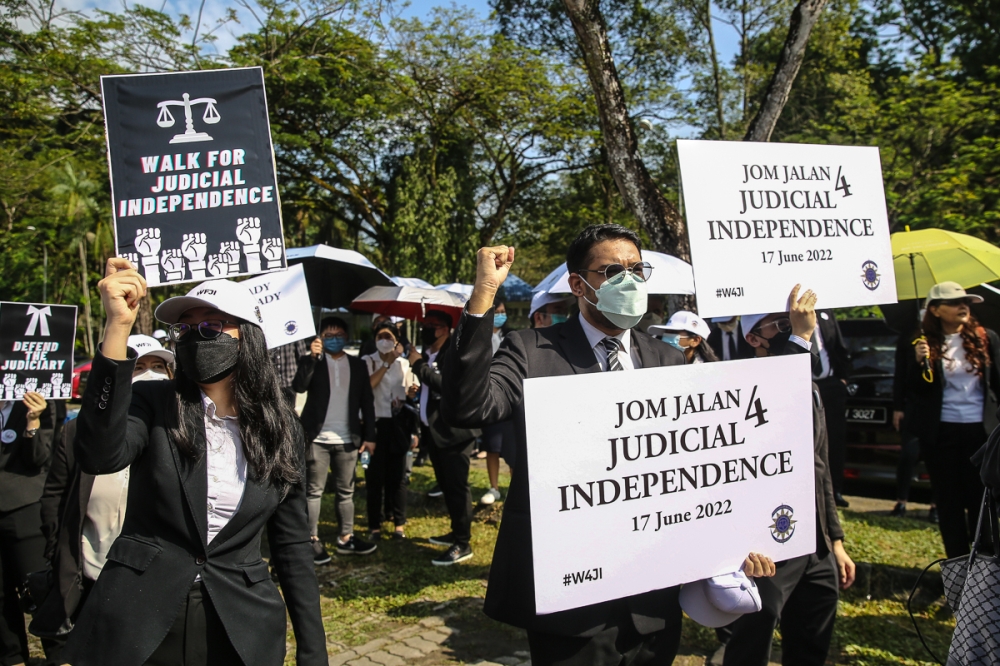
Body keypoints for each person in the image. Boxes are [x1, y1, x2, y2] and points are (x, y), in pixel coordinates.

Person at [438, 224, 775, 666]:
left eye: (637, 269)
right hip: (573, 602)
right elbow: (469, 406)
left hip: (653, 597)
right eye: (612, 270)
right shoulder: (531, 350)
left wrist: (735, 539)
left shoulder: (668, 360)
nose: (629, 281)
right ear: (578, 284)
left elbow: (701, 466)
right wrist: (483, 295)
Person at [64, 264, 326, 666]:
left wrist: (313, 651)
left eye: (211, 327)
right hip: (139, 618)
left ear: (248, 338)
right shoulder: (153, 403)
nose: (195, 338)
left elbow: (291, 546)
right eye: (184, 330)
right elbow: (98, 453)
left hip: (238, 624)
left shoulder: (282, 427)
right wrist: (117, 326)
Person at [719, 288, 856, 666]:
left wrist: (836, 540)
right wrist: (801, 337)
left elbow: (819, 465)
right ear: (753, 338)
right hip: (768, 546)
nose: (795, 325)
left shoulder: (808, 384)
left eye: (792, 321)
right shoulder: (741, 385)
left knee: (812, 640)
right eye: (781, 324)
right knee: (752, 640)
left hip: (816, 543)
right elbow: (781, 417)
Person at [32, 335, 174, 658]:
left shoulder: (182, 437)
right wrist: (61, 555)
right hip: (89, 577)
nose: (148, 374)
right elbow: (54, 497)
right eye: (137, 367)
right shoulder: (76, 433)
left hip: (149, 587)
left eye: (157, 366)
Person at [896, 282, 1000, 558]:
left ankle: (986, 579)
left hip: (981, 434)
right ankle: (957, 578)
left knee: (983, 507)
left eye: (966, 301)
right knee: (949, 506)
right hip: (942, 435)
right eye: (955, 302)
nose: (963, 306)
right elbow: (915, 392)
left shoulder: (986, 338)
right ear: (936, 310)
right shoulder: (921, 343)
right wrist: (920, 365)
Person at [293, 317, 378, 563]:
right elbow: (299, 386)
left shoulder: (358, 365)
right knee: (313, 491)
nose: (334, 338)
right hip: (317, 438)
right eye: (328, 335)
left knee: (346, 491)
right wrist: (311, 358)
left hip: (348, 439)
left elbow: (367, 403)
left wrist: (370, 436)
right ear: (320, 337)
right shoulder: (312, 362)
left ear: (346, 335)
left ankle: (346, 537)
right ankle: (310, 540)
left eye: (339, 334)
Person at [406, 310, 481, 566]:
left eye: (433, 326)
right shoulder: (429, 354)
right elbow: (431, 386)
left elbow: (447, 385)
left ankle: (463, 543)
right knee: (447, 487)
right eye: (425, 324)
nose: (427, 329)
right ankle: (455, 532)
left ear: (446, 329)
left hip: (456, 433)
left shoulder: (454, 353)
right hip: (435, 432)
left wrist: (418, 366)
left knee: (458, 488)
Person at [0, 389, 53, 666]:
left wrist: (33, 421)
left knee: (40, 588)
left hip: (24, 509)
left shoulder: (39, 402)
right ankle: (12, 659)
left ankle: (60, 657)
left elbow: (39, 459)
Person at [362, 321, 419, 539]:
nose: (385, 340)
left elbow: (409, 393)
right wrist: (385, 364)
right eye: (380, 336)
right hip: (374, 425)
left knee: (398, 477)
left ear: (397, 340)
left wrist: (412, 391)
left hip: (397, 425)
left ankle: (399, 524)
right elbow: (367, 388)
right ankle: (374, 526)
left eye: (389, 336)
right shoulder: (367, 361)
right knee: (374, 478)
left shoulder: (404, 364)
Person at [891, 327, 939, 522]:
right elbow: (900, 374)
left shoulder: (942, 337)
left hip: (937, 408)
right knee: (908, 456)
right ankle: (901, 501)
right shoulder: (909, 337)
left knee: (936, 459)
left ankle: (935, 505)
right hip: (913, 405)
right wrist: (898, 406)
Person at [810, 309, 851, 508]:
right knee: (812, 441)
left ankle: (836, 491)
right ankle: (815, 490)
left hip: (831, 385)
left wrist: (842, 380)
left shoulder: (826, 314)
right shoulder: (788, 315)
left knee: (835, 440)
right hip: (806, 386)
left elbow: (839, 347)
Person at [479, 299, 514, 505]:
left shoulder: (511, 335)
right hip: (489, 397)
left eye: (503, 311)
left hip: (510, 398)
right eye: (497, 312)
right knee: (492, 446)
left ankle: (514, 486)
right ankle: (494, 487)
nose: (501, 315)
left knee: (513, 447)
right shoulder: (480, 338)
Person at [648, 311, 718, 364]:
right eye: (666, 332)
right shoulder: (656, 363)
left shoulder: (707, 371)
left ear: (695, 341)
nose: (667, 336)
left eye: (674, 332)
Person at [270, 339, 310, 410]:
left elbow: (302, 358)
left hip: (290, 382)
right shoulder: (268, 333)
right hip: (273, 383)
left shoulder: (293, 334)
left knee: (290, 411)